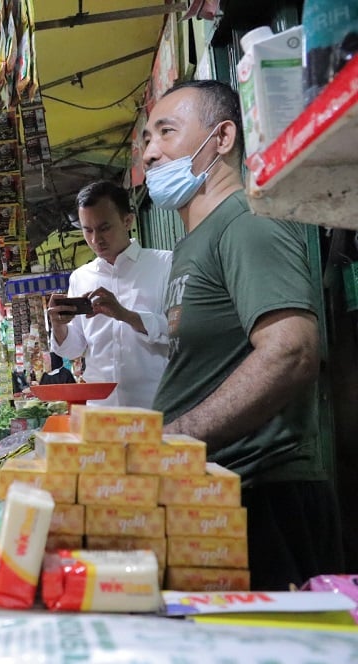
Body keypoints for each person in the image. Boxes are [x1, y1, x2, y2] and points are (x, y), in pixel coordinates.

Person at [143, 79, 343, 590]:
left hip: (262, 497)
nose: (149, 153)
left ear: (223, 137)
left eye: (166, 132)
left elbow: (290, 351)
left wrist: (174, 438)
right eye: (147, 139)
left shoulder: (247, 222)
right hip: (217, 495)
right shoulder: (193, 243)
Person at [46, 180, 171, 408]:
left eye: (104, 228)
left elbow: (177, 330)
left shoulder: (165, 264)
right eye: (88, 230)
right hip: (101, 413)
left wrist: (126, 315)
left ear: (127, 220)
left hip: (155, 406)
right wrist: (59, 326)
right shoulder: (81, 277)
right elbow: (74, 348)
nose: (96, 240)